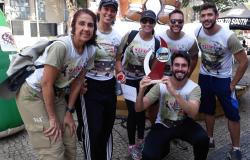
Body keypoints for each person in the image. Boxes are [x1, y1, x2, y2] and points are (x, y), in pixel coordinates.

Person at [15, 9, 97, 160]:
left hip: (56, 93)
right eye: (81, 24)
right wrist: (52, 118)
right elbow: (46, 83)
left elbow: (78, 81)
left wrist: (68, 112)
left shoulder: (90, 51)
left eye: (90, 25)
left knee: (69, 137)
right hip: (33, 93)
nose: (86, 28)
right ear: (73, 26)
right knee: (52, 148)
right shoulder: (62, 47)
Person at [196, 3, 249, 160]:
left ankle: (236, 149)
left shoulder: (228, 36)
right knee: (208, 110)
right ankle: (210, 139)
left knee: (233, 115)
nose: (206, 18)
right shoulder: (197, 31)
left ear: (216, 16)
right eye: (203, 15)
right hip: (205, 77)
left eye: (209, 15)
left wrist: (232, 84)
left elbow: (244, 62)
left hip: (223, 80)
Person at [135, 52, 209, 160]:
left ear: (188, 69)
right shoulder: (161, 84)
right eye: (176, 65)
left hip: (184, 123)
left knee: (203, 139)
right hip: (163, 124)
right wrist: (141, 90)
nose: (180, 69)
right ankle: (165, 149)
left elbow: (193, 112)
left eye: (184, 65)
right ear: (171, 67)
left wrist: (174, 93)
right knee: (148, 156)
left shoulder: (194, 87)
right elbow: (138, 108)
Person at [116, 10, 159, 160]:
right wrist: (120, 71)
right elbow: (118, 55)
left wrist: (152, 80)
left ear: (155, 23)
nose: (147, 24)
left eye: (151, 21)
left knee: (141, 111)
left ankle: (140, 141)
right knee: (133, 112)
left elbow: (154, 66)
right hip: (128, 80)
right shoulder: (131, 35)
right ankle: (131, 145)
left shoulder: (156, 42)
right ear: (140, 22)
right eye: (144, 20)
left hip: (143, 82)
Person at [81, 0, 121, 159]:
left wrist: (120, 72)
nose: (109, 13)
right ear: (99, 10)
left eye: (113, 10)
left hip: (109, 85)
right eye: (106, 9)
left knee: (107, 127)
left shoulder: (118, 36)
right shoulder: (90, 31)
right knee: (93, 129)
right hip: (90, 86)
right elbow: (77, 55)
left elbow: (117, 59)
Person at [156, 9, 199, 76]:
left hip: (179, 79)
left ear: (183, 23)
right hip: (161, 77)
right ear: (168, 22)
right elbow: (152, 58)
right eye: (173, 21)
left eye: (180, 21)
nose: (176, 24)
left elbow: (194, 59)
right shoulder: (158, 38)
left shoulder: (190, 41)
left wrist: (187, 75)